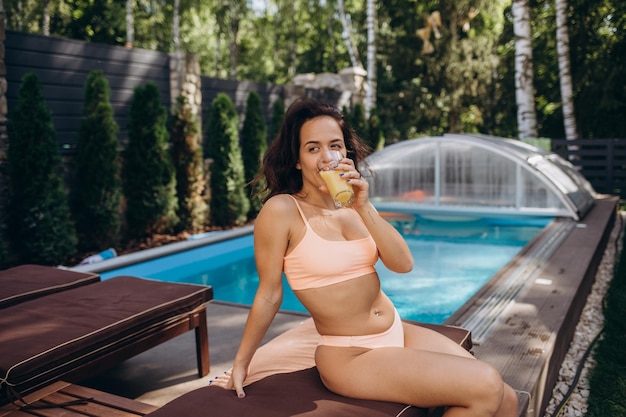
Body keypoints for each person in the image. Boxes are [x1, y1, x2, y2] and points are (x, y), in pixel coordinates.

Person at [212, 98, 518, 416]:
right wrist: (241, 363)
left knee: (507, 398)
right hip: (350, 355)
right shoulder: (283, 210)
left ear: (346, 153)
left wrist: (364, 205)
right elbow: (269, 294)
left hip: (397, 332)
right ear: (298, 160)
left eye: (335, 145)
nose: (327, 157)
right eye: (313, 148)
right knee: (486, 384)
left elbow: (403, 264)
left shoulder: (351, 205)